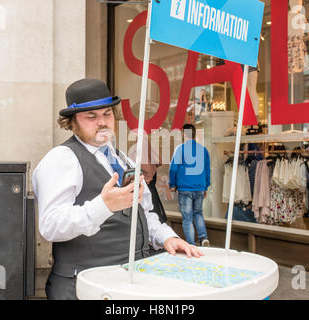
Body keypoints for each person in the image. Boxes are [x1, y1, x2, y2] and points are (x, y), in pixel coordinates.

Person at [32, 78, 203, 300]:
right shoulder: (62, 159)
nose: (102, 122)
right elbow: (50, 225)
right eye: (91, 117)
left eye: (107, 114)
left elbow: (144, 212)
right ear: (72, 122)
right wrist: (102, 206)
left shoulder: (121, 159)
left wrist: (166, 237)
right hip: (83, 287)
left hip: (125, 284)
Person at [169, 123, 211, 247]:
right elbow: (207, 170)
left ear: (183, 134)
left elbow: (173, 169)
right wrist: (206, 186)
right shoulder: (203, 150)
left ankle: (191, 244)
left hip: (185, 188)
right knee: (198, 213)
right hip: (199, 187)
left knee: (187, 218)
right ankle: (203, 238)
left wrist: (172, 184)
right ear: (194, 134)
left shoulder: (180, 149)